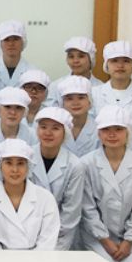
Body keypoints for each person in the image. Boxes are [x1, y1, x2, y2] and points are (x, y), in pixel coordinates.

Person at [81, 105, 132, 262]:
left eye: (118, 129)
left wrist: (128, 241)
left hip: (131, 239)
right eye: (106, 129)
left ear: (128, 133)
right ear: (99, 133)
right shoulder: (86, 163)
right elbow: (87, 208)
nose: (112, 134)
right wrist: (105, 240)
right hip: (96, 236)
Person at [0, 139, 60, 250]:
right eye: (9, 163)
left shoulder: (46, 198)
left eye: (20, 163)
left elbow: (47, 241)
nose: (15, 169)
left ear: (28, 166)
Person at [29, 107, 85, 250]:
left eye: (55, 128)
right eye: (43, 127)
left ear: (65, 132)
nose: (48, 133)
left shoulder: (74, 165)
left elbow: (71, 213)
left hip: (61, 238)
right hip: (26, 233)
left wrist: (53, 244)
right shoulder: (26, 157)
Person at [91, 41, 132, 155]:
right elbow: (89, 131)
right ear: (106, 65)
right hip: (98, 160)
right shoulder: (94, 94)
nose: (120, 66)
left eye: (126, 61)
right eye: (114, 61)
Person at [46, 37, 103, 106]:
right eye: (71, 56)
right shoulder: (56, 86)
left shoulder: (101, 88)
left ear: (91, 59)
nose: (75, 61)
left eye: (81, 56)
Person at [58, 76, 99, 157]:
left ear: (90, 101)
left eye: (81, 98)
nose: (75, 103)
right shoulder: (56, 127)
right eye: (69, 99)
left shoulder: (99, 129)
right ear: (62, 103)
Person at [0, 20, 33, 88]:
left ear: (23, 42)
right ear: (0, 43)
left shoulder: (32, 72)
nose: (11, 44)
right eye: (6, 39)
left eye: (15, 39)